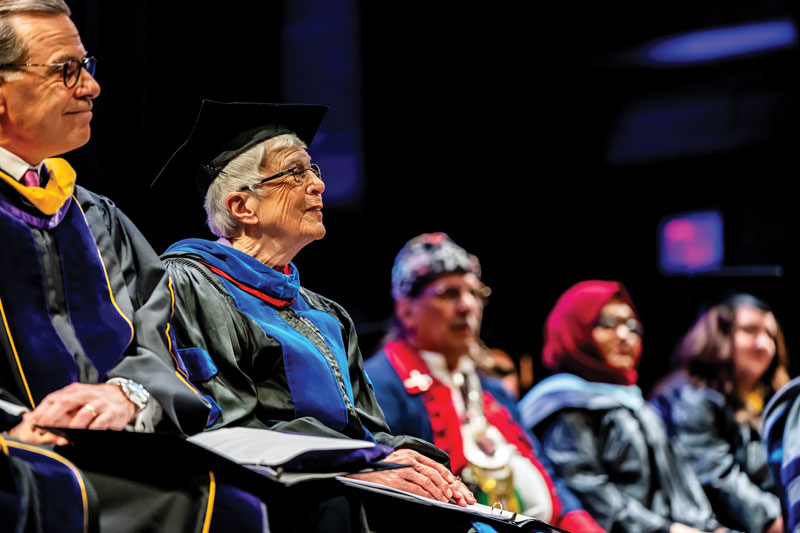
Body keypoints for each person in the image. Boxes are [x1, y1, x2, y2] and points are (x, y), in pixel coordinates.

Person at [0, 2, 270, 531]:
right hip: (20, 453)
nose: (92, 88)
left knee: (235, 499)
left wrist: (128, 394)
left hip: (110, 446)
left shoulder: (95, 216)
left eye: (86, 66)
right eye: (65, 70)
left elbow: (159, 336)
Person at [155, 100, 475, 513]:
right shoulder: (189, 283)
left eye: (313, 170)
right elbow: (229, 421)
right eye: (295, 172)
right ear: (241, 207)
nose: (318, 184)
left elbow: (370, 430)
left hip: (350, 482)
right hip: (273, 496)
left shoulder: (328, 315)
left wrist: (417, 466)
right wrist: (360, 462)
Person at [364, 233, 604, 532]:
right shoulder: (378, 384)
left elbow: (548, 473)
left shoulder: (492, 390)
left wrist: (577, 521)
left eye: (475, 292)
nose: (467, 306)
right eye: (449, 293)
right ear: (407, 310)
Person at [519, 280, 727, 533]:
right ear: (576, 330)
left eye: (631, 327)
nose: (624, 336)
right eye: (607, 324)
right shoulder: (563, 405)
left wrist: (711, 527)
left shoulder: (636, 403)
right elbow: (586, 490)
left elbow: (680, 485)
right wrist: (665, 530)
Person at [650, 294, 785, 533]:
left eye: (770, 335)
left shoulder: (767, 398)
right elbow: (713, 474)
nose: (763, 344)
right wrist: (774, 519)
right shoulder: (691, 396)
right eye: (750, 330)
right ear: (719, 335)